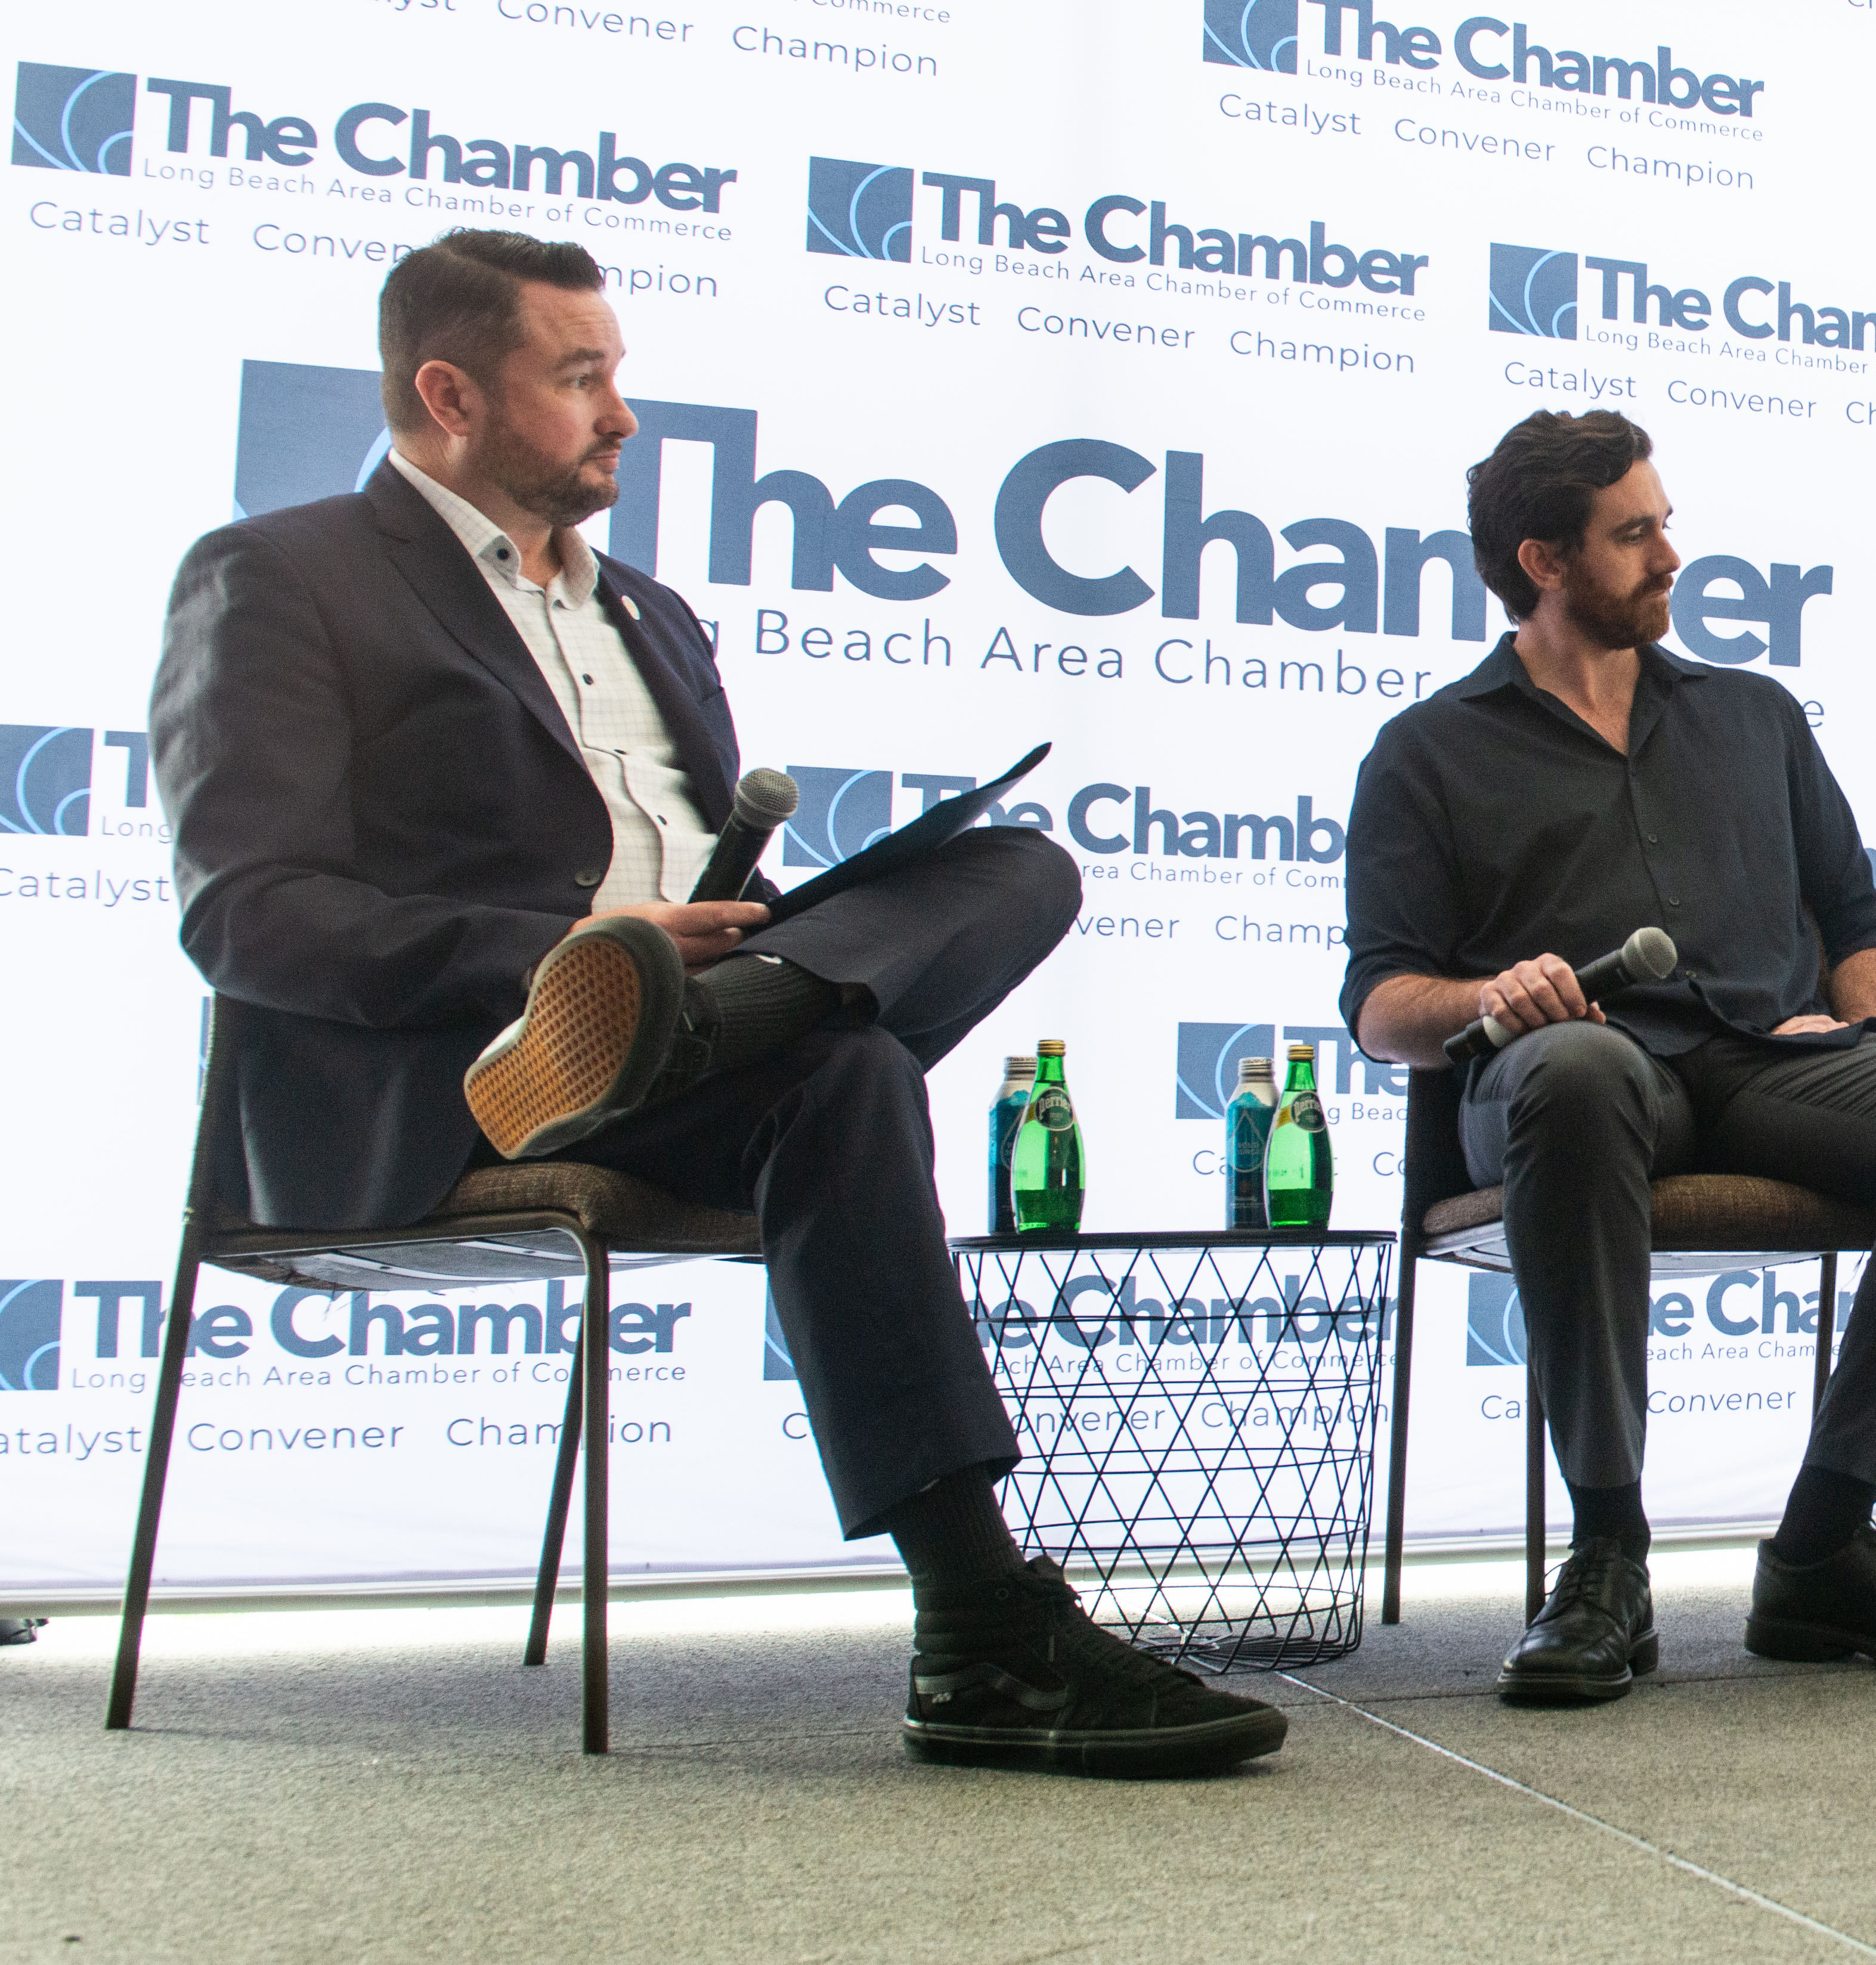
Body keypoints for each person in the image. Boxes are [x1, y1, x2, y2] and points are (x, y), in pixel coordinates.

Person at [151, 228, 1283, 1778]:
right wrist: (568, 951)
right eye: (582, 377)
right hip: (470, 1079)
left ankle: (705, 1016)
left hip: (707, 1022)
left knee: (1016, 864)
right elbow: (250, 913)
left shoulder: (655, 615)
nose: (622, 412)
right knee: (845, 1072)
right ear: (450, 394)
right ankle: (980, 1627)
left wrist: (710, 964)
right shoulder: (282, 576)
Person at [1342, 410, 1876, 1704]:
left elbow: (1860, 926)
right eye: (1636, 533)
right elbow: (1382, 1007)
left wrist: (1860, 1032)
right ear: (1544, 561)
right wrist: (1497, 992)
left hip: (1763, 1067)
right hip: (1561, 1078)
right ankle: (1608, 1548)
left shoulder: (1754, 716)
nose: (1672, 552)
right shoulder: (1429, 751)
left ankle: (1826, 1538)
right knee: (1577, 1070)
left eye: (1663, 521)